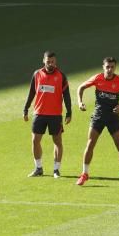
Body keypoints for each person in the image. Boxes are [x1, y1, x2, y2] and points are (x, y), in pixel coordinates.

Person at [75, 56, 119, 187]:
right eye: (107, 67)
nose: (110, 69)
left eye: (112, 67)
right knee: (90, 144)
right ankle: (84, 174)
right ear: (103, 67)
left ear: (115, 67)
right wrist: (79, 102)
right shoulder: (97, 78)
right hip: (98, 117)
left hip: (113, 117)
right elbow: (81, 87)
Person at [23, 50, 72, 178]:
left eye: (53, 62)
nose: (50, 64)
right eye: (48, 61)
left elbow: (66, 95)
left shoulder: (61, 76)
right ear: (43, 61)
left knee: (57, 141)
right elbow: (31, 93)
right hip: (39, 113)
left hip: (55, 115)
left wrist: (69, 112)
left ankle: (56, 170)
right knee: (35, 140)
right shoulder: (37, 74)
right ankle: (38, 168)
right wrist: (26, 109)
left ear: (56, 62)